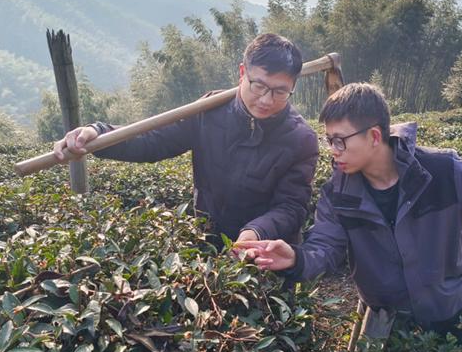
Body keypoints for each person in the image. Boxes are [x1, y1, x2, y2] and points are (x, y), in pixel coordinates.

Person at [236, 83, 462, 342]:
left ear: (374, 136)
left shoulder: (442, 170)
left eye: (339, 140)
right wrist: (295, 258)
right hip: (387, 318)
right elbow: (325, 247)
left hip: (451, 308)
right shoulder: (338, 194)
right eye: (329, 140)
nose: (333, 151)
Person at [53, 33, 319, 248]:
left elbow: (291, 207)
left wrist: (256, 232)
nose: (266, 100)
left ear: (292, 87)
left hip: (268, 254)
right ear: (242, 73)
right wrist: (98, 133)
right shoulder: (210, 110)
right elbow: (153, 140)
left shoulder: (300, 139)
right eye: (258, 86)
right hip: (207, 243)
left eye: (280, 92)